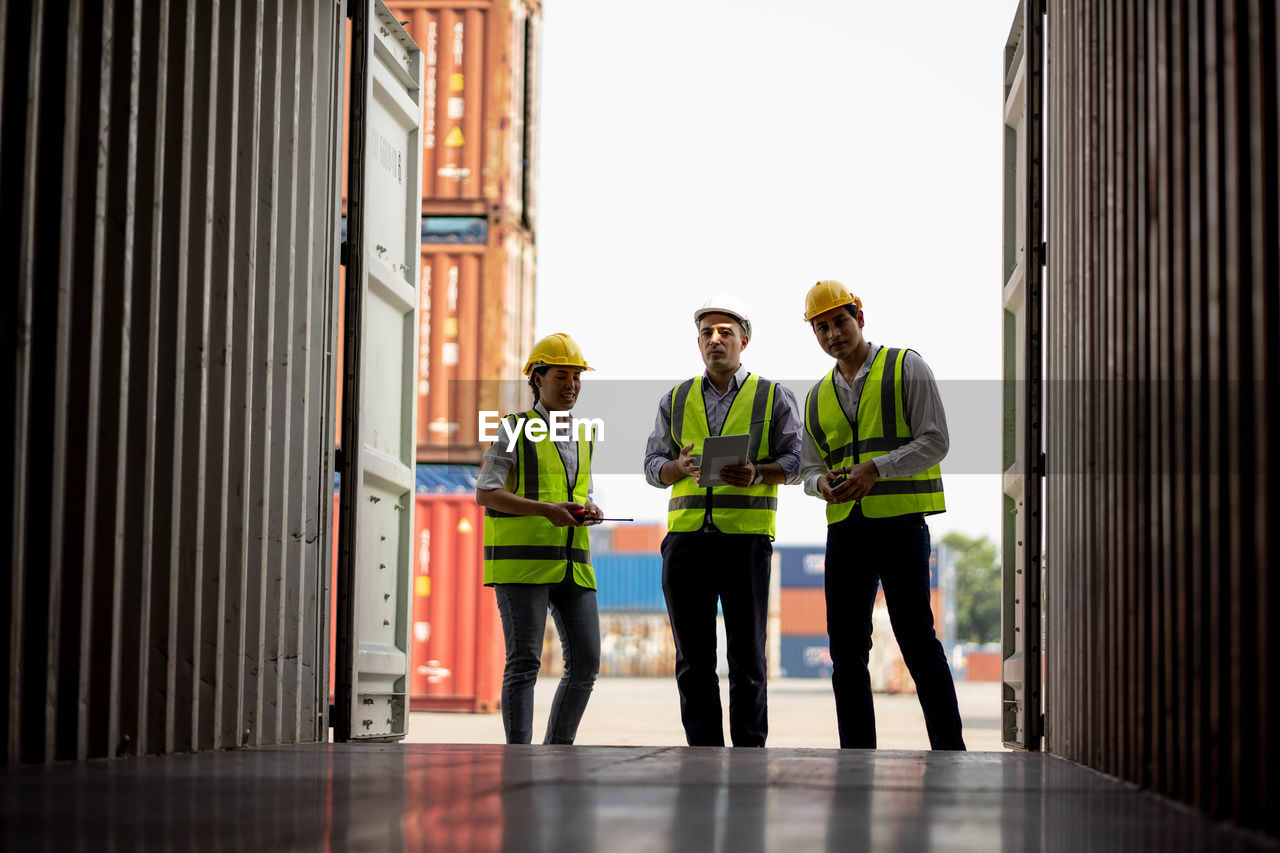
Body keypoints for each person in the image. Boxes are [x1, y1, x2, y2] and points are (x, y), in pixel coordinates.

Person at [799, 280, 965, 750]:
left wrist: (878, 469)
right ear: (815, 334)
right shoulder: (815, 398)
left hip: (900, 524)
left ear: (861, 318)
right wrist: (820, 485)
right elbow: (810, 468)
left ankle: (950, 751)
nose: (833, 333)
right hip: (846, 530)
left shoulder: (905, 366)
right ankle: (856, 754)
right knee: (846, 651)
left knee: (916, 638)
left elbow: (936, 440)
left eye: (840, 321)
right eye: (822, 327)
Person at [644, 295, 803, 747]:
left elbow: (798, 461)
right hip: (686, 543)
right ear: (698, 345)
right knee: (692, 661)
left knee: (748, 659)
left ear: (744, 341)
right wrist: (679, 467)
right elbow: (653, 465)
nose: (715, 340)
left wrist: (758, 472)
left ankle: (750, 751)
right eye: (707, 334)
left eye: (725, 333)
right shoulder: (674, 400)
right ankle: (703, 753)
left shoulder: (774, 396)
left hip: (745, 543)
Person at [476, 332, 603, 745]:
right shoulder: (514, 429)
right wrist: (547, 510)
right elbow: (486, 492)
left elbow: (571, 492)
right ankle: (519, 757)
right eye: (561, 376)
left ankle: (557, 750)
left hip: (572, 565)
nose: (571, 385)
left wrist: (588, 509)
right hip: (523, 565)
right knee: (524, 663)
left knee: (586, 662)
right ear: (536, 380)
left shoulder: (582, 435)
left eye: (577, 377)